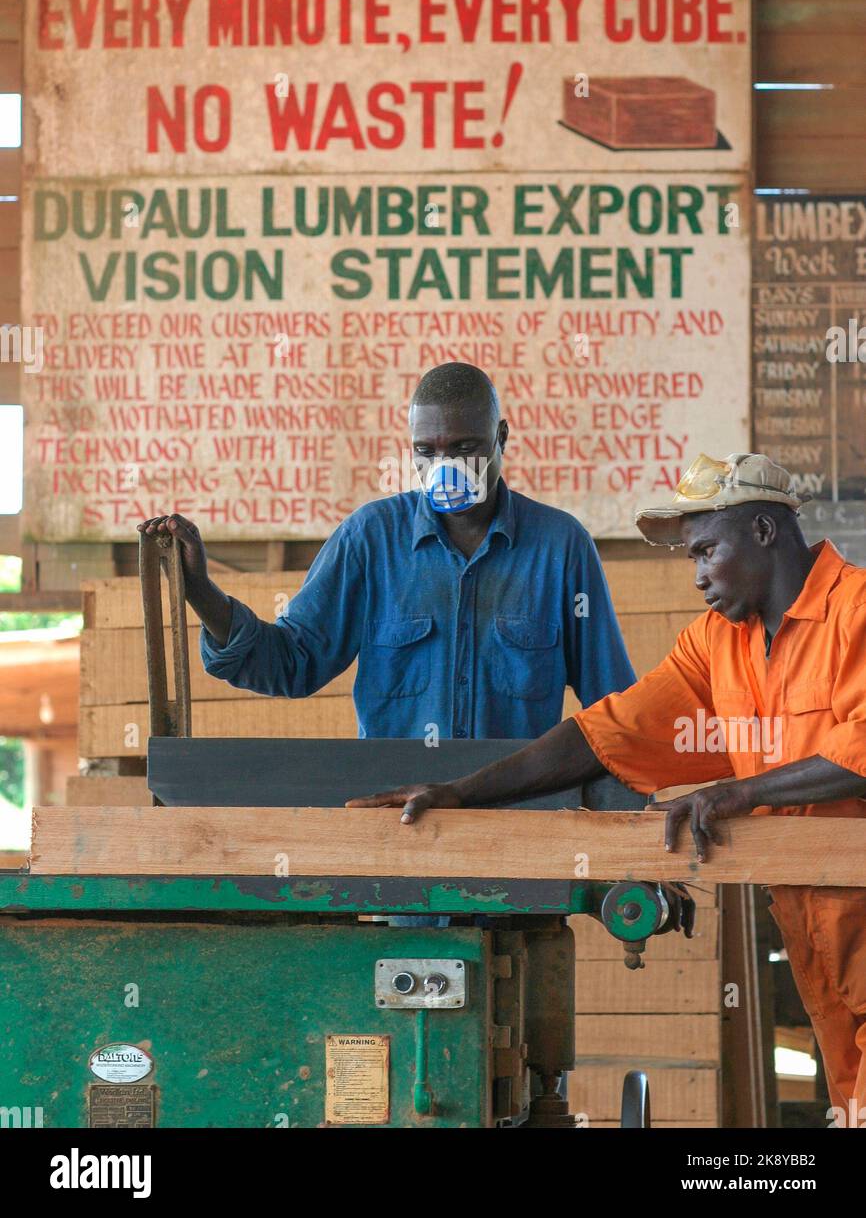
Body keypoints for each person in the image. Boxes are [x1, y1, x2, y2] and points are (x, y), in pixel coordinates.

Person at [348, 452, 866, 1122]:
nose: (699, 576)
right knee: (850, 1104)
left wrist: (733, 794)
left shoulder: (856, 611)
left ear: (765, 531)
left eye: (707, 550)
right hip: (813, 930)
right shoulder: (718, 644)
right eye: (690, 558)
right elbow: (605, 733)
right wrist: (464, 792)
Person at [138, 361, 635, 740]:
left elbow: (614, 705)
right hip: (395, 817)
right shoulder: (370, 540)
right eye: (427, 451)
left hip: (518, 819)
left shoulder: (560, 547)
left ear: (501, 437)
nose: (445, 467)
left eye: (464, 449)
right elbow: (291, 662)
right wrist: (199, 590)